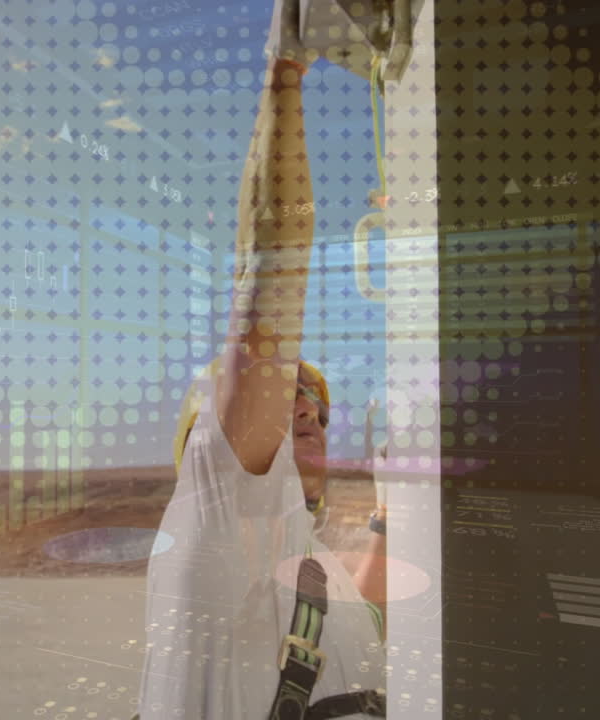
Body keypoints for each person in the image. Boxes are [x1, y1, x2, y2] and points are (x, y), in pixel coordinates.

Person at [134, 2, 389, 717]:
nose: (305, 416)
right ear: (208, 447)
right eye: (287, 407)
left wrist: (387, 521)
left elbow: (362, 624)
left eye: (314, 413)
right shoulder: (222, 519)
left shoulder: (301, 558)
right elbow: (268, 268)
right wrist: (286, 74)